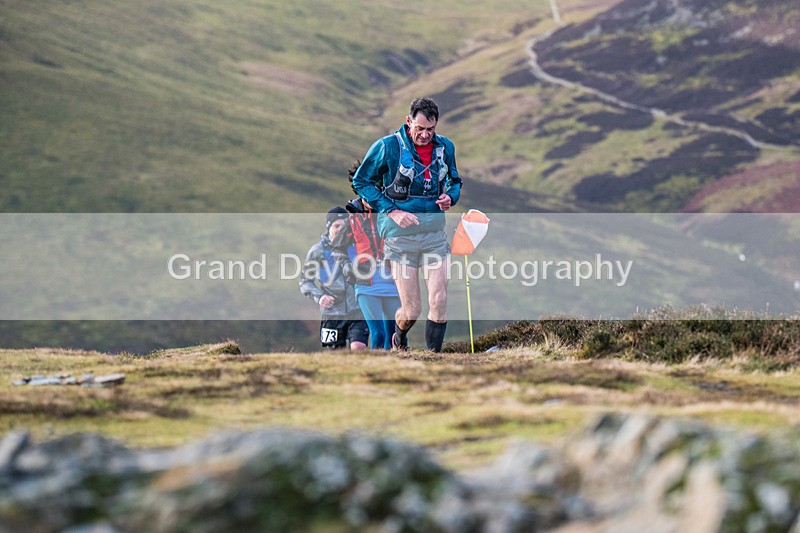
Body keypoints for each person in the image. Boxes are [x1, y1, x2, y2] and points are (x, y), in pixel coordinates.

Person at [351, 97, 462, 352]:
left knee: (440, 299)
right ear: (408, 121)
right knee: (412, 309)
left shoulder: (446, 147)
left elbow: (455, 180)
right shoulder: (387, 147)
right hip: (400, 237)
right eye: (419, 128)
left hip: (434, 232)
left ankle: (434, 358)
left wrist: (450, 197)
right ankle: (399, 336)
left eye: (430, 130)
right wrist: (391, 211)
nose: (425, 135)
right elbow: (361, 182)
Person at [341, 163, 401, 350]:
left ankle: (393, 371)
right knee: (378, 333)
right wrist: (347, 268)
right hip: (366, 282)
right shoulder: (351, 217)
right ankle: (375, 369)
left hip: (393, 280)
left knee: (393, 335)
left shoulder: (392, 212)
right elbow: (336, 248)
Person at [299, 207, 368, 350]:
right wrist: (320, 297)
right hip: (331, 315)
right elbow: (305, 281)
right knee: (335, 354)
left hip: (358, 311)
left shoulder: (358, 247)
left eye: (343, 226)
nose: (340, 229)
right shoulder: (317, 251)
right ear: (328, 227)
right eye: (336, 226)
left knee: (359, 347)